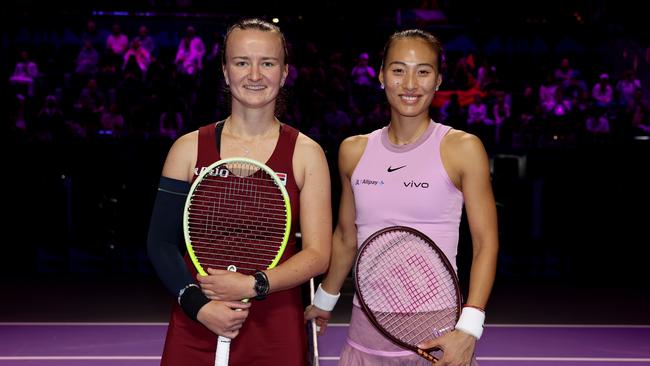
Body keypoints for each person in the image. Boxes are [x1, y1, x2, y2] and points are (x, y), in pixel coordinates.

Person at [304, 29, 498, 365]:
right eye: (398, 70)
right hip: (366, 329)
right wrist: (324, 299)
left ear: (438, 80)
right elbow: (347, 236)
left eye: (423, 71)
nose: (410, 83)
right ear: (381, 76)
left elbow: (485, 243)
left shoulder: (464, 149)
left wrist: (469, 329)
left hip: (439, 333)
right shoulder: (353, 151)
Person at [147, 18, 332, 366]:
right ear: (225, 71)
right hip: (198, 320)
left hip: (274, 325)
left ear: (285, 71)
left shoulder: (307, 154)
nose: (255, 75)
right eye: (242, 62)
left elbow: (318, 254)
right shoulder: (187, 149)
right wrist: (199, 307)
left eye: (268, 62)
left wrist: (254, 285)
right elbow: (161, 243)